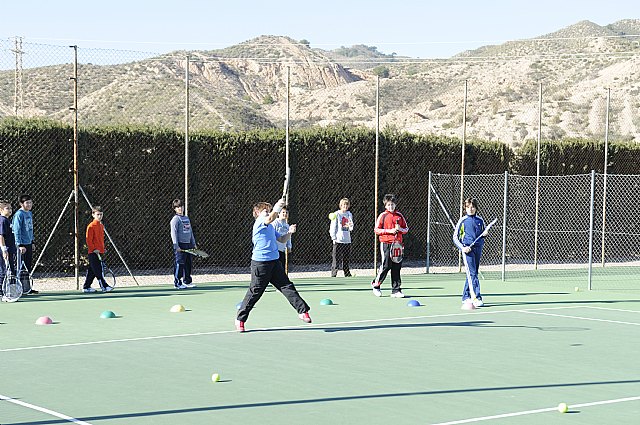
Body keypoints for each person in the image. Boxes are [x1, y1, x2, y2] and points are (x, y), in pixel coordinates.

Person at [235, 198, 311, 332]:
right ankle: (240, 319)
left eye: (268, 210)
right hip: (261, 264)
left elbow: (281, 239)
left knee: (287, 286)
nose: (268, 212)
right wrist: (277, 206)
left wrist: (289, 233)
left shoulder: (270, 227)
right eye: (265, 210)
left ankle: (302, 311)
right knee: (255, 292)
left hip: (274, 262)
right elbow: (270, 217)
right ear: (258, 213)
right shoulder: (260, 222)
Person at [453, 197, 488, 308]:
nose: (470, 209)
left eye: (472, 207)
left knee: (473, 273)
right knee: (472, 273)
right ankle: (476, 297)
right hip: (467, 250)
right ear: (465, 208)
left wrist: (485, 233)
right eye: (468, 207)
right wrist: (463, 248)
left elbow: (483, 233)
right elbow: (455, 237)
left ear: (476, 208)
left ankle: (465, 296)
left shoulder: (480, 220)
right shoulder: (463, 221)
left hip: (478, 248)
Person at [371, 194, 408, 297]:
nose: (391, 207)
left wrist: (400, 229)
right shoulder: (383, 216)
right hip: (386, 243)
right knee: (386, 265)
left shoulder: (399, 216)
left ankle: (396, 290)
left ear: (395, 205)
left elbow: (406, 229)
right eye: (388, 205)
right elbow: (376, 230)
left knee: (397, 267)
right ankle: (376, 285)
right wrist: (390, 231)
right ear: (385, 205)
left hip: (397, 245)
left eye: (392, 204)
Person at [83, 206, 113, 293]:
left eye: (101, 215)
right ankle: (104, 286)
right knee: (98, 270)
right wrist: (93, 249)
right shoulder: (91, 226)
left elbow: (100, 239)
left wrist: (103, 249)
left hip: (100, 252)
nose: (99, 216)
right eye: (98, 214)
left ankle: (86, 287)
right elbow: (89, 240)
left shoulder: (101, 226)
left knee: (92, 270)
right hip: (93, 252)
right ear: (93, 215)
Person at [13, 194, 38, 294]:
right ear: (21, 204)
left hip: (28, 243)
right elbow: (17, 230)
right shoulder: (19, 214)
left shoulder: (29, 213)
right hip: (21, 244)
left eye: (30, 202)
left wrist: (32, 242)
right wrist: (19, 245)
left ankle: (27, 288)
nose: (29, 204)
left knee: (28, 266)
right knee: (20, 267)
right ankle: (19, 288)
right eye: (27, 203)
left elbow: (30, 230)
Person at [170, 199, 197, 289]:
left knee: (188, 263)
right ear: (174, 209)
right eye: (177, 207)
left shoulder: (186, 218)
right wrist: (176, 246)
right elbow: (173, 233)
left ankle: (187, 281)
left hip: (188, 244)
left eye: (181, 206)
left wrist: (193, 243)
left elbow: (190, 232)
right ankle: (177, 283)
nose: (180, 208)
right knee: (180, 263)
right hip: (180, 245)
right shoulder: (175, 220)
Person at [329, 198, 354, 277]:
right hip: (338, 240)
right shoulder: (337, 214)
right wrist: (333, 238)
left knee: (346, 258)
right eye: (343, 205)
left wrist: (350, 226)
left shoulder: (349, 214)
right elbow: (333, 227)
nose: (345, 206)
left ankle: (347, 273)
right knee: (336, 258)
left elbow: (351, 227)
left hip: (347, 240)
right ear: (340, 205)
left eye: (347, 205)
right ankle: (334, 274)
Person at [0, 200, 18, 297]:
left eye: (11, 208)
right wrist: (4, 250)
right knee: (3, 270)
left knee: (10, 269)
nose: (10, 210)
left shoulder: (8, 220)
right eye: (7, 208)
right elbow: (1, 236)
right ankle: (1, 291)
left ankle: (9, 290)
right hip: (5, 250)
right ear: (1, 210)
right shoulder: (2, 221)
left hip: (10, 249)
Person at [272, 207, 292, 271]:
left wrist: (289, 246)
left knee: (281, 268)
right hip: (275, 250)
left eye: (286, 212)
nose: (285, 214)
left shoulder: (287, 226)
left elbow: (288, 237)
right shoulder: (275, 223)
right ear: (279, 213)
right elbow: (272, 235)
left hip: (282, 250)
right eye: (283, 212)